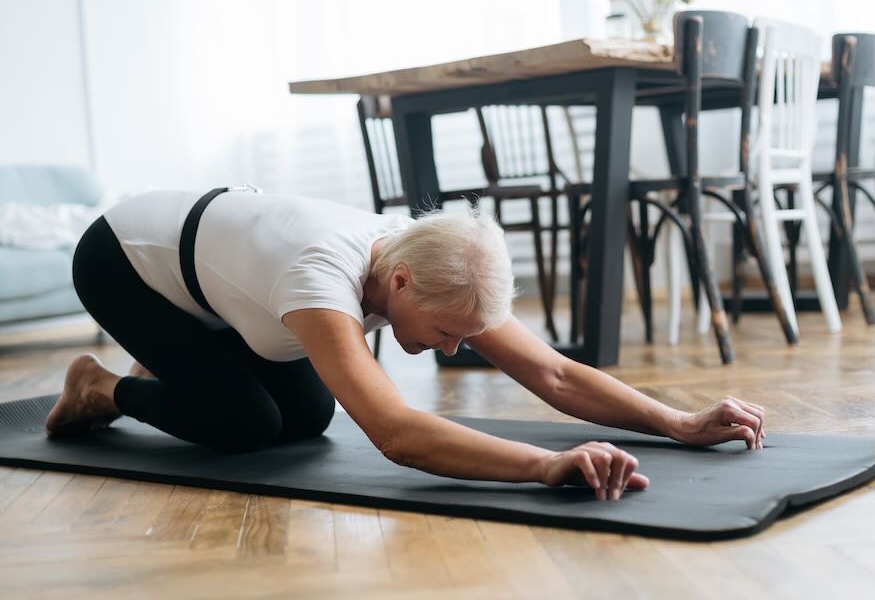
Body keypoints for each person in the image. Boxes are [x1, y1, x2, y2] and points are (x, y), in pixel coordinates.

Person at [46, 187, 766, 502]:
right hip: (125, 261)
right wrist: (545, 466)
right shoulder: (318, 277)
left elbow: (549, 371)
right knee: (246, 425)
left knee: (305, 419)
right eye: (448, 334)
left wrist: (678, 420)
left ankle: (180, 362)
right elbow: (394, 433)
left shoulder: (436, 263)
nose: (452, 351)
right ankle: (100, 385)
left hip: (222, 280)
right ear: (396, 282)